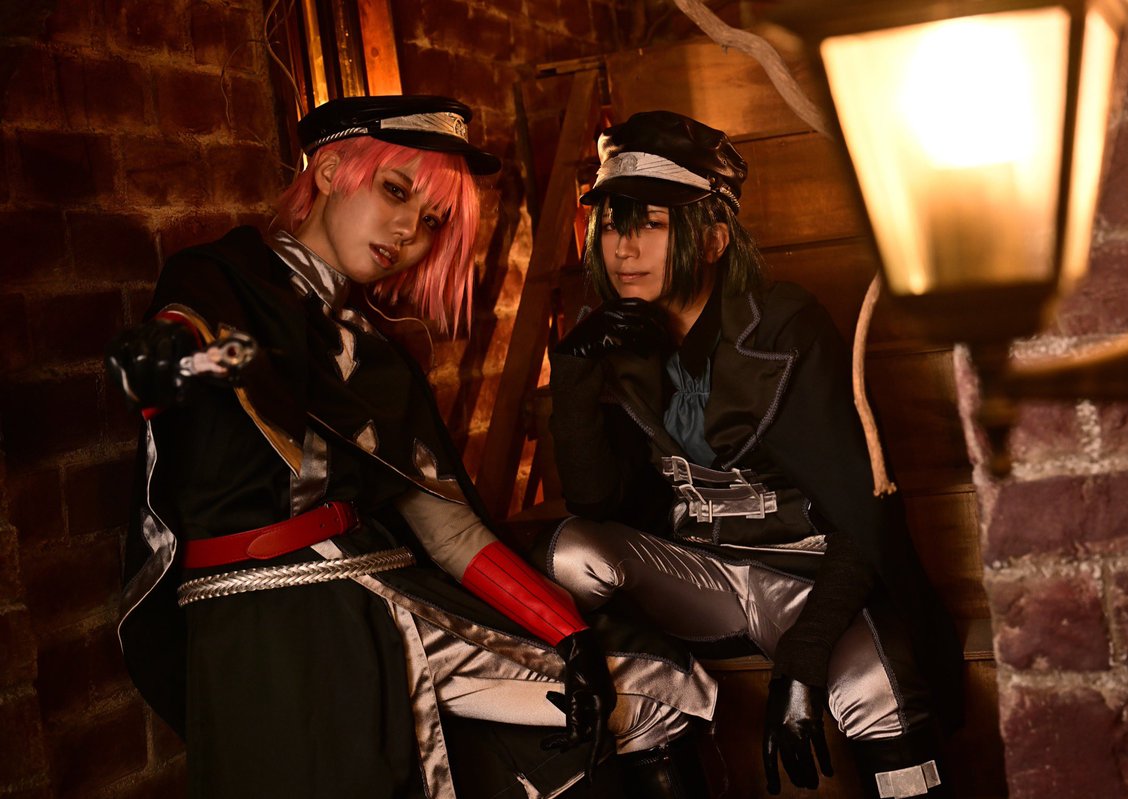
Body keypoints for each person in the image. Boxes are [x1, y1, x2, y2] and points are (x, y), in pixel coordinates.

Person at [105, 95, 716, 799]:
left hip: (382, 594)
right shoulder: (223, 279)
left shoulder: (374, 352)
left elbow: (447, 529)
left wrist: (568, 633)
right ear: (329, 171)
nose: (408, 231)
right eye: (396, 192)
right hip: (271, 621)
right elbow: (176, 347)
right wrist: (171, 363)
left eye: (432, 221)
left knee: (650, 686)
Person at [543, 110, 964, 798]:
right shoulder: (612, 338)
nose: (624, 248)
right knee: (569, 551)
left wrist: (803, 658)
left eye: (651, 223)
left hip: (809, 577)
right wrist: (573, 371)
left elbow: (866, 515)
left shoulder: (786, 326)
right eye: (614, 224)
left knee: (876, 687)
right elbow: (595, 502)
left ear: (712, 237)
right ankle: (658, 704)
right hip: (700, 576)